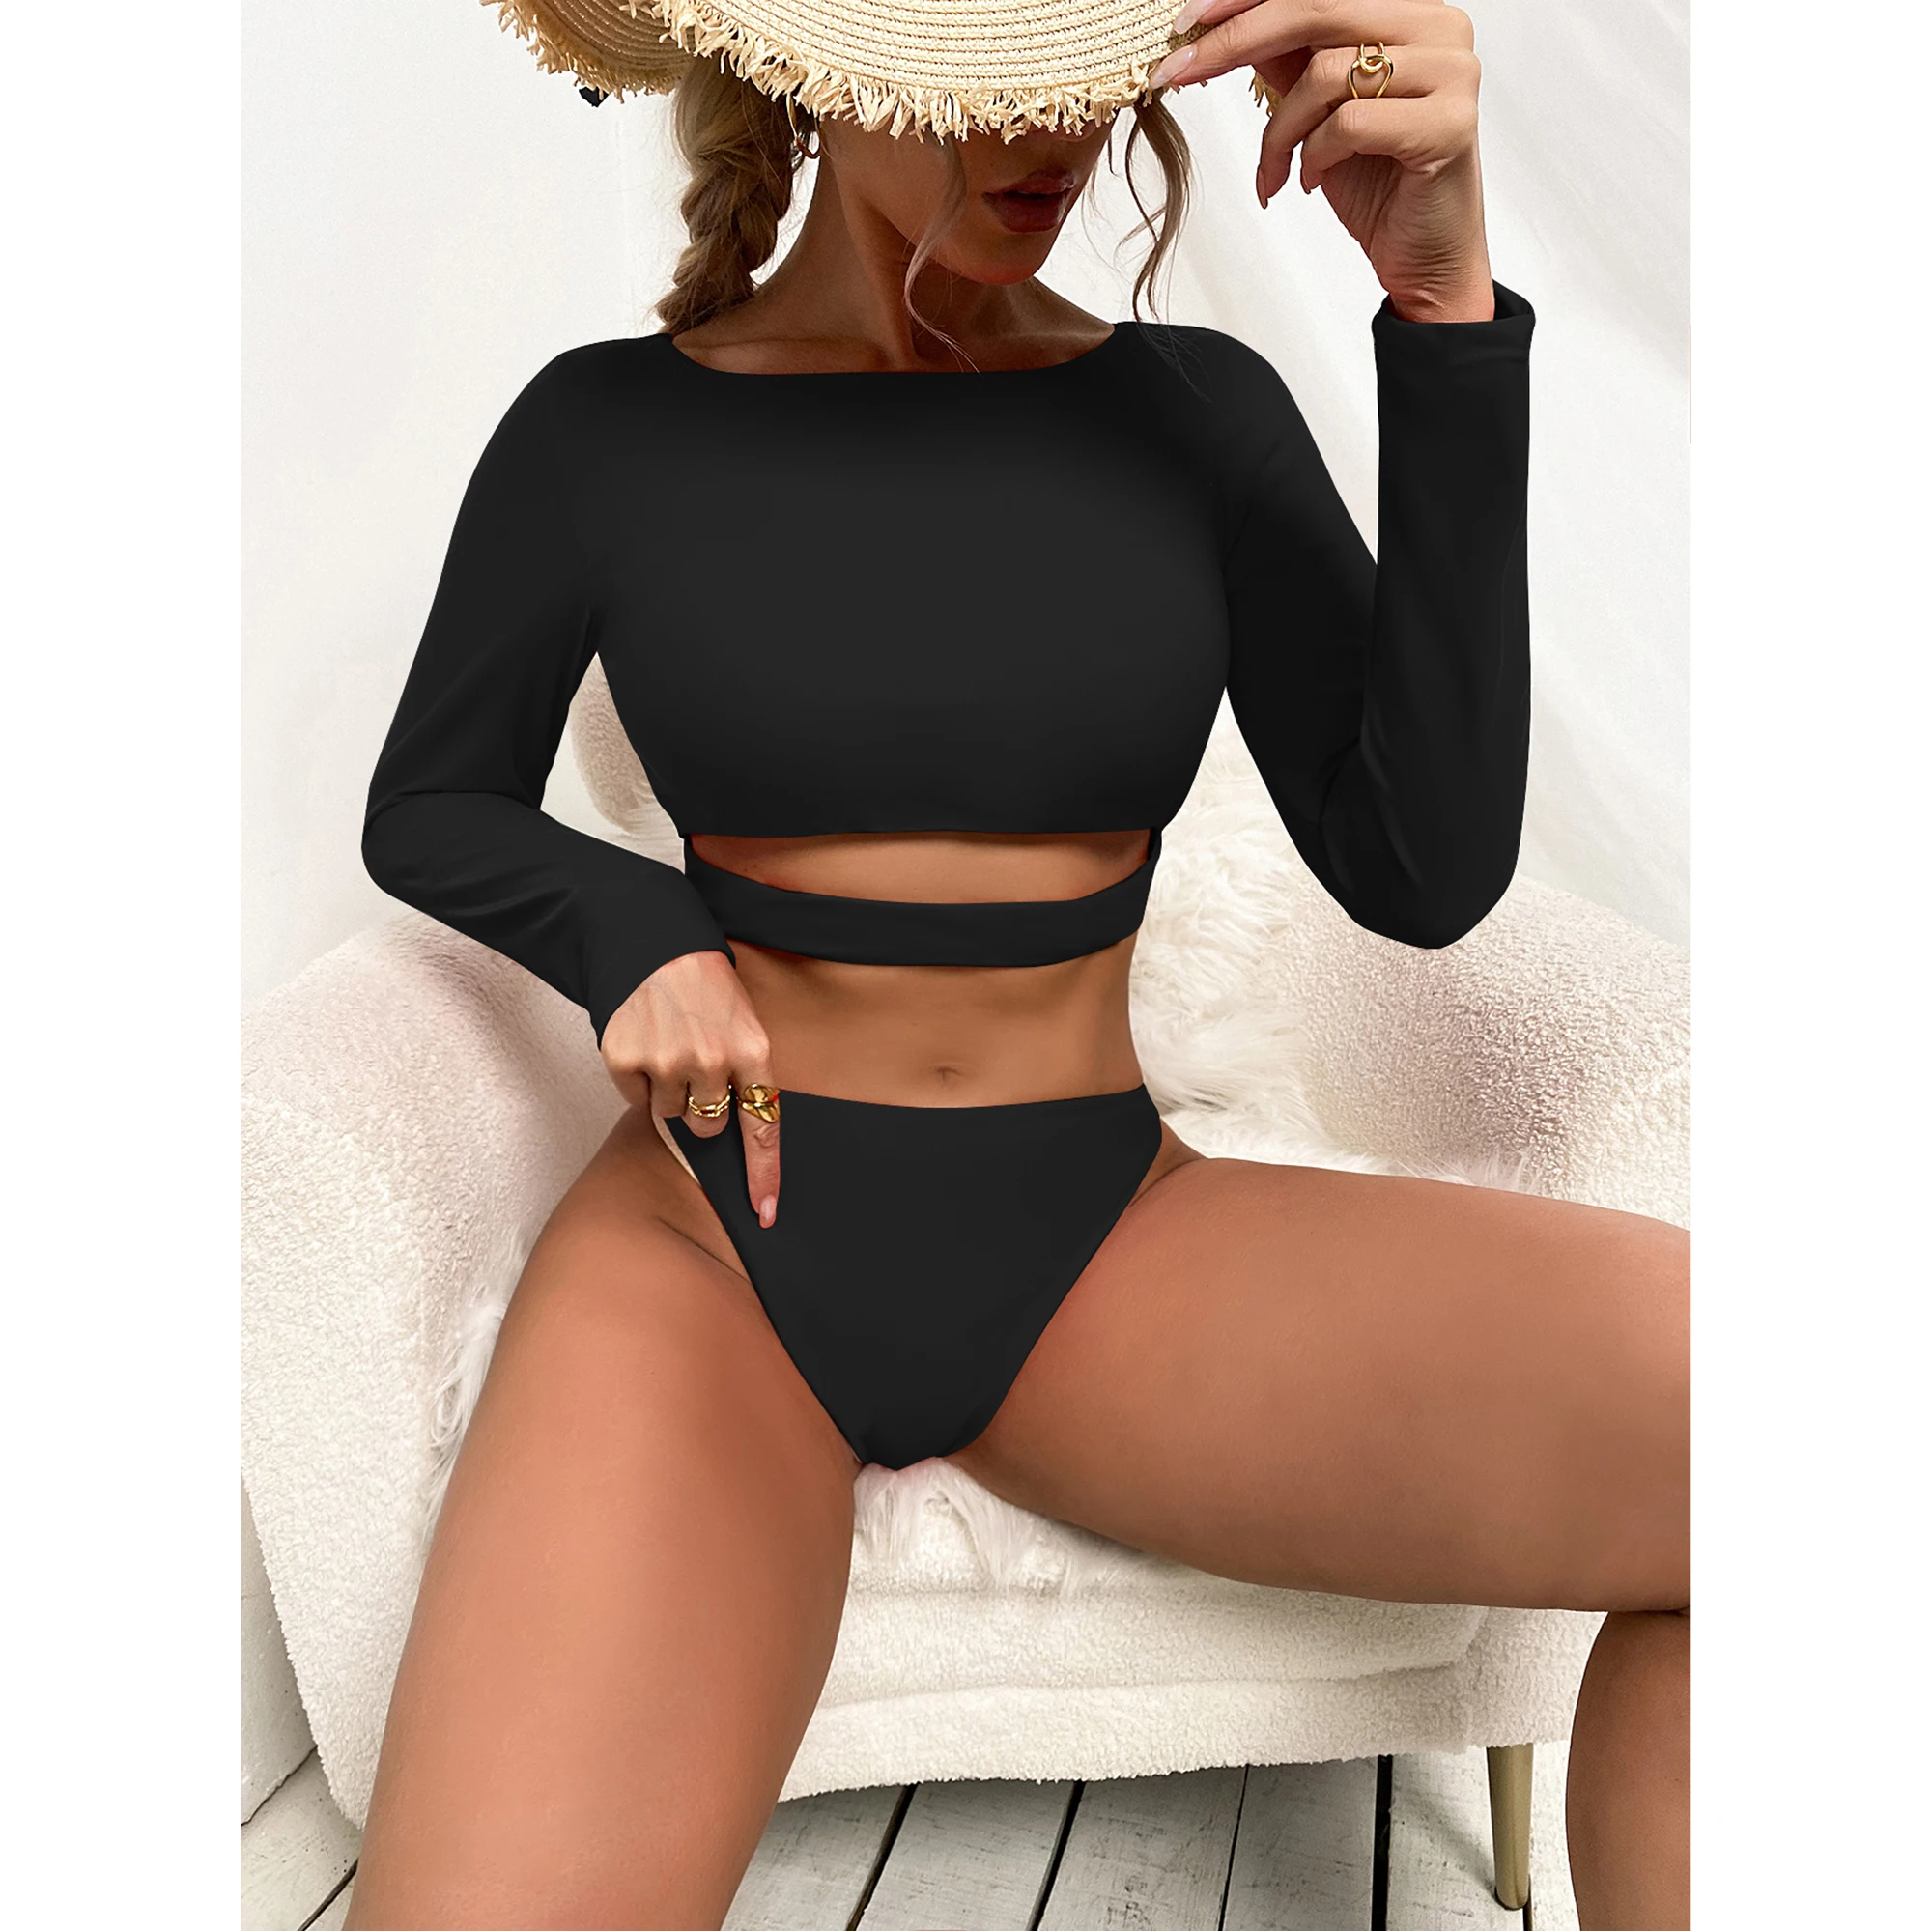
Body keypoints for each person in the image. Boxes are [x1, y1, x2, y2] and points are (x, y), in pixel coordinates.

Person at [349, 1, 1688, 1924]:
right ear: (821, 63)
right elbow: (433, 802)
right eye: (992, 65)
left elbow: (1424, 869)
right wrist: (631, 928)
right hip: (715, 1255)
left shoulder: (1197, 416)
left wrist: (1443, 309)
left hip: (1102, 1248)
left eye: (1085, 60)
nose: (1050, 128)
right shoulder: (605, 429)